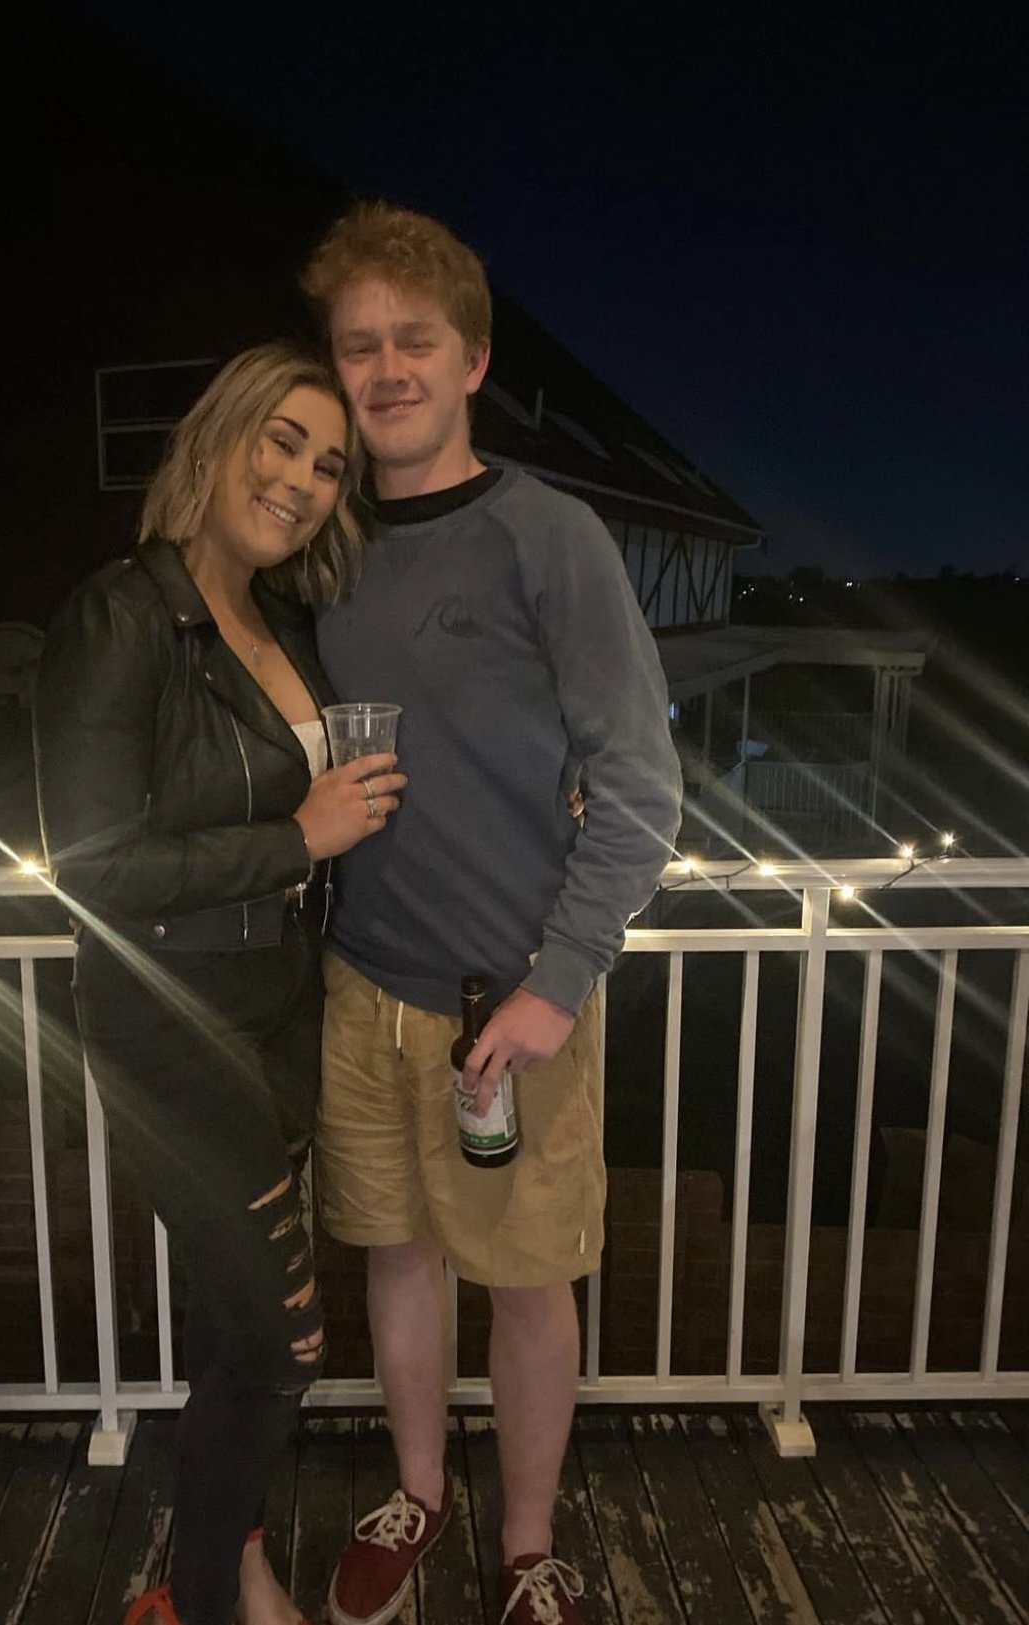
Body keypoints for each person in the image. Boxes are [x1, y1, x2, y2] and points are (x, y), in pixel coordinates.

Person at [301, 205, 683, 1625]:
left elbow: (642, 786)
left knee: (526, 1282)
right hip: (362, 982)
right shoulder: (323, 547)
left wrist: (558, 979)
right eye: (359, 346)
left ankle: (526, 1546)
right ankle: (421, 1490)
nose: (386, 368)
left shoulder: (549, 535)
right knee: (397, 1257)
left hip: (509, 1000)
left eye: (416, 341)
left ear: (473, 359)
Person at [33, 342, 407, 1625]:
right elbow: (91, 868)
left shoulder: (282, 618)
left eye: (328, 464)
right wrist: (297, 838)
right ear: (216, 437)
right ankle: (204, 1596)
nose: (301, 479)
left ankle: (224, 1563)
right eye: (280, 441)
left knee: (236, 1328)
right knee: (287, 1338)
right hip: (169, 1017)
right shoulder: (119, 617)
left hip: (276, 1004)